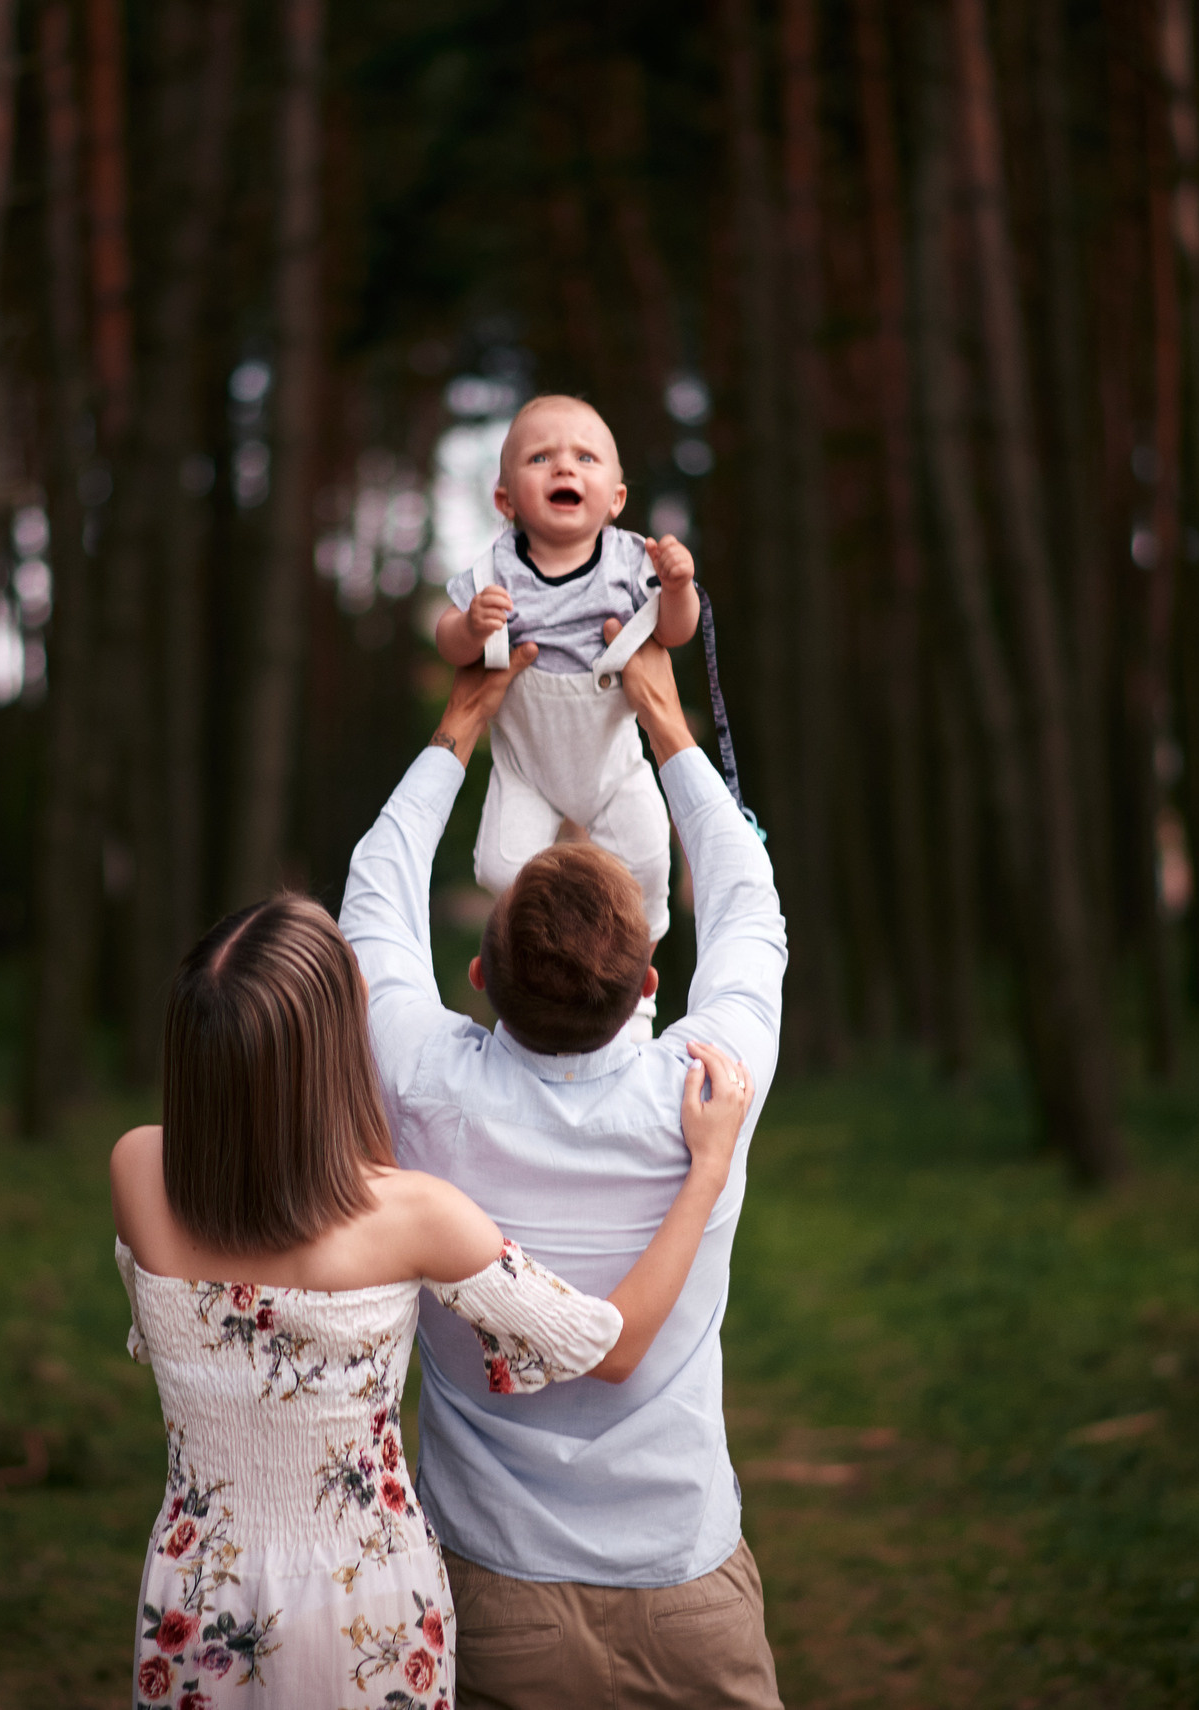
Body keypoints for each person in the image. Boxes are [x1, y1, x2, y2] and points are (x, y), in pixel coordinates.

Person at [110, 885, 755, 1710]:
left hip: (198, 1597)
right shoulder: (412, 1216)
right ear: (332, 1048)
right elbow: (612, 1343)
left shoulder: (137, 1170)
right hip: (368, 1605)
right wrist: (707, 1170)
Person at [340, 626, 788, 1708]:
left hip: (494, 1598)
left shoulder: (422, 1087)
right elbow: (748, 901)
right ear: (649, 986)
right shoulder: (709, 1089)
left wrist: (463, 722)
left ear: (478, 976)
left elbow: (374, 893)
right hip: (686, 1586)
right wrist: (664, 719)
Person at [433, 395, 701, 1035]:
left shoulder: (630, 562)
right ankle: (519, 974)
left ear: (615, 499)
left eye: (585, 457)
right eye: (540, 457)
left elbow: (674, 632)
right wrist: (470, 628)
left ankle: (635, 978)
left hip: (612, 762)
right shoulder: (495, 570)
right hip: (527, 765)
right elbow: (449, 641)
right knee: (502, 868)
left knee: (647, 864)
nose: (563, 467)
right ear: (505, 500)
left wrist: (679, 588)